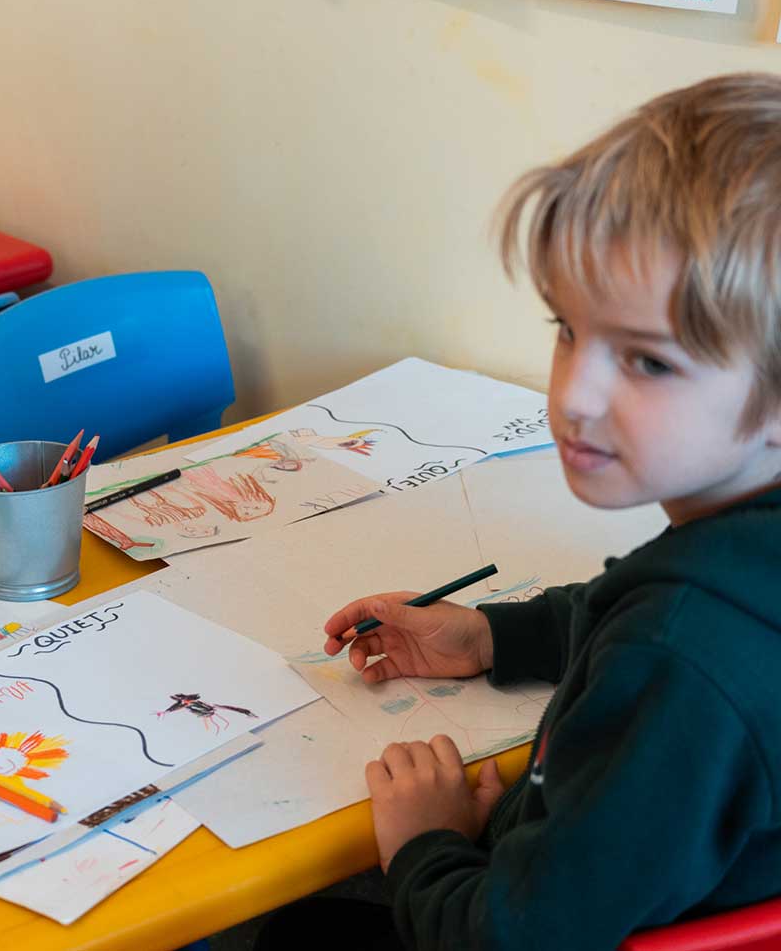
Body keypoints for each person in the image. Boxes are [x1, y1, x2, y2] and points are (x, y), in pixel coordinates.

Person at [272, 74, 781, 950]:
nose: (574, 394)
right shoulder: (739, 563)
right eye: (568, 329)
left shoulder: (678, 661)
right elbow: (636, 611)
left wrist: (426, 848)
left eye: (648, 362)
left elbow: (517, 936)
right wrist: (490, 636)